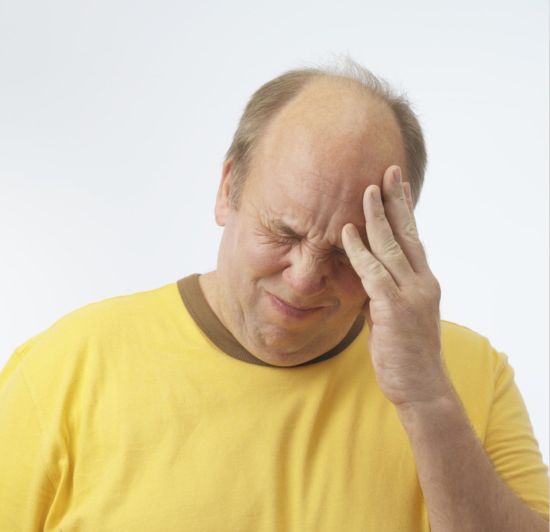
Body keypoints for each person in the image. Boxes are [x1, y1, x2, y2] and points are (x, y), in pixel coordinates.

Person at [0, 60, 548, 531]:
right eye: (284, 232)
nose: (306, 278)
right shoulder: (65, 369)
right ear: (227, 189)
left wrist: (426, 400)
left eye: (347, 253)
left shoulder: (467, 377)